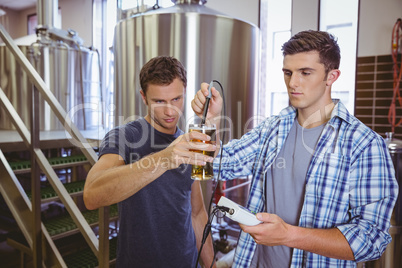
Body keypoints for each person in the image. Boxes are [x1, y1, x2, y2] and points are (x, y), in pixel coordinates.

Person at [191, 30, 399, 267]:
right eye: (288, 73)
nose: (293, 83)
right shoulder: (272, 129)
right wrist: (212, 122)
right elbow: (217, 167)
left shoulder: (364, 144)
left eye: (305, 73)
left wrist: (289, 235)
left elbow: (371, 240)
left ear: (332, 76)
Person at [83, 56, 216, 267]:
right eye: (159, 101)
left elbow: (197, 213)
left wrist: (212, 265)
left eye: (176, 99)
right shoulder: (125, 137)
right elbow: (91, 195)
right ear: (144, 97)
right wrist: (164, 158)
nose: (170, 111)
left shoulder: (188, 141)